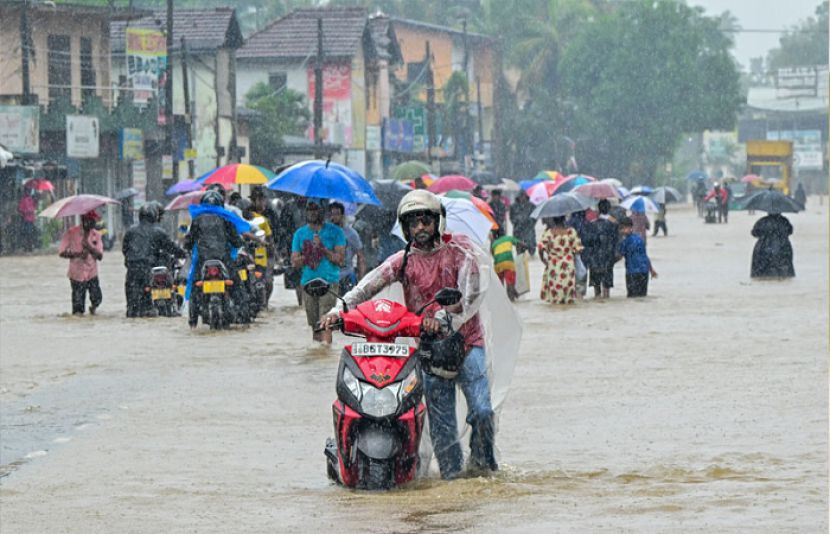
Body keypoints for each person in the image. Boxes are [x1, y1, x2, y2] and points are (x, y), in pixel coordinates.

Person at [321, 189, 498, 479]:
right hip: (429, 350)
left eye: (425, 221)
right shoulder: (403, 261)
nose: (420, 228)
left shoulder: (462, 251)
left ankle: (483, 466)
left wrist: (444, 317)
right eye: (413, 223)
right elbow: (369, 284)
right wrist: (338, 310)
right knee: (443, 428)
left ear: (438, 222)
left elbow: (471, 294)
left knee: (482, 411)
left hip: (468, 343)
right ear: (405, 228)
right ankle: (453, 482)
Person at [183, 191, 246, 328]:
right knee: (238, 287)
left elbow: (189, 241)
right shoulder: (226, 219)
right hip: (224, 260)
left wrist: (187, 248)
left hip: (203, 261)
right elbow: (236, 241)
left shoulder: (197, 219)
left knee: (195, 288)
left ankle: (192, 321)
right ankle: (243, 317)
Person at [291, 199, 345, 344]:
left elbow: (340, 259)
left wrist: (322, 248)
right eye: (309, 209)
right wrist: (309, 252)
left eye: (315, 209)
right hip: (308, 282)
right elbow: (295, 263)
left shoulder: (336, 232)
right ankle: (317, 359)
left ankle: (325, 355)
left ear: (322, 211)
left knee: (325, 323)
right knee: (315, 326)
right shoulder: (300, 234)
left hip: (329, 282)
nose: (312, 213)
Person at [122, 204, 186, 317]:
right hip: (150, 269)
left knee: (131, 309)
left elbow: (125, 250)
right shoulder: (159, 232)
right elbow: (172, 248)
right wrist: (184, 253)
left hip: (133, 271)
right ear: (154, 216)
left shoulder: (130, 231)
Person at [58, 211, 104, 315]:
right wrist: (77, 254)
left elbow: (100, 256)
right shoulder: (71, 233)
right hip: (76, 274)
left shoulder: (96, 235)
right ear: (84, 220)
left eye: (94, 221)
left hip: (92, 273)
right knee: (78, 307)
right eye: (91, 221)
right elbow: (61, 252)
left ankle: (93, 308)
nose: (93, 223)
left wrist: (89, 247)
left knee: (97, 298)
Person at [538, 215, 583, 304]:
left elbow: (540, 248)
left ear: (553, 220)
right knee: (568, 294)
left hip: (553, 266)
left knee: (555, 294)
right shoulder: (571, 232)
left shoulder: (549, 233)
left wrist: (543, 259)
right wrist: (570, 254)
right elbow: (578, 249)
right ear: (564, 219)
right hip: (568, 266)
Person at [583, 199, 618, 299]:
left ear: (598, 209)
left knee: (596, 289)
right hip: (608, 259)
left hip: (594, 260)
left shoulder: (591, 224)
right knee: (606, 289)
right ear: (609, 209)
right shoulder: (613, 224)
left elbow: (587, 242)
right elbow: (616, 242)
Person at [328, 201, 365, 295]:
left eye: (337, 214)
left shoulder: (351, 233)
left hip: (347, 276)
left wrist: (361, 281)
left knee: (348, 307)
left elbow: (360, 256)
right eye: (332, 214)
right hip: (329, 277)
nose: (334, 217)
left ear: (342, 215)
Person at [617, 216, 658, 297]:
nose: (622, 230)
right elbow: (645, 256)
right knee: (642, 296)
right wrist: (651, 269)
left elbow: (620, 256)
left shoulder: (625, 242)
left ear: (630, 228)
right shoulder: (639, 238)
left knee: (632, 297)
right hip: (644, 272)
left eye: (623, 228)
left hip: (632, 273)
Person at [751, 212, 795, 278]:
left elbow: (754, 233)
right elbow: (790, 231)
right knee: (784, 274)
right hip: (782, 248)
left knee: (761, 274)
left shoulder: (762, 221)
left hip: (763, 249)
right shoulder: (784, 221)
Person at [490, 226, 521, 301]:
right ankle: (511, 299)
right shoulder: (508, 238)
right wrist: (524, 248)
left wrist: (491, 241)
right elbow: (519, 243)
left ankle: (501, 301)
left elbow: (493, 254)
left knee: (500, 285)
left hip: (497, 265)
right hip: (508, 263)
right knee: (510, 283)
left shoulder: (494, 243)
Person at [509, 190, 536, 256]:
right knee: (519, 253)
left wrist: (529, 222)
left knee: (531, 251)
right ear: (518, 197)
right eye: (520, 196)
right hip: (518, 231)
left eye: (523, 196)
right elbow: (511, 218)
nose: (522, 198)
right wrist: (518, 221)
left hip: (529, 231)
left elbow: (535, 217)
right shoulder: (513, 206)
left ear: (526, 197)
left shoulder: (532, 206)